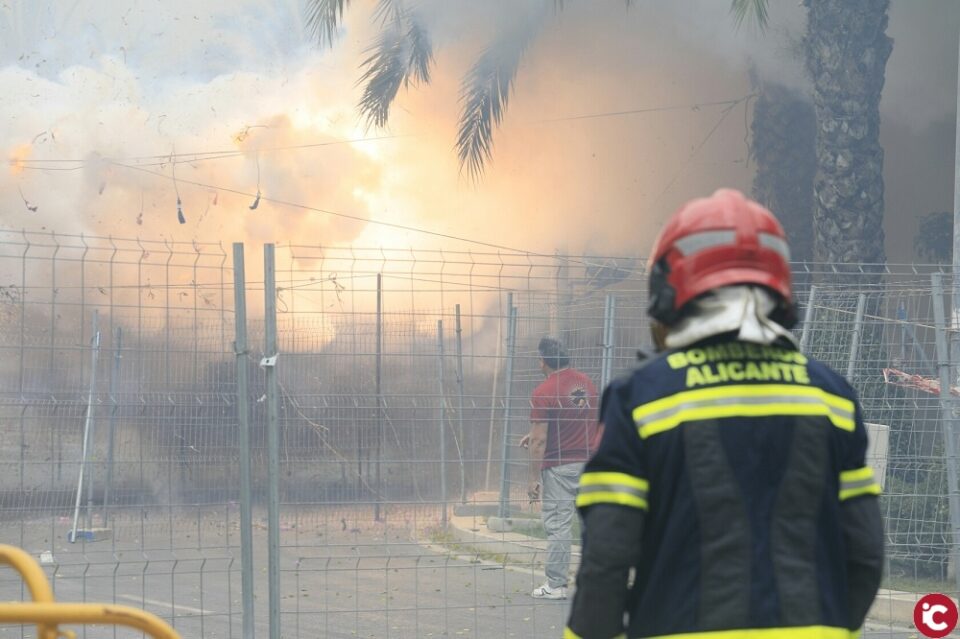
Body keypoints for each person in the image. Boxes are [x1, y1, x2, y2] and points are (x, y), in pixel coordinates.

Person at [565, 189, 884, 638]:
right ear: (779, 287)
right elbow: (866, 554)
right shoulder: (831, 396)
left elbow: (608, 557)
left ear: (668, 289)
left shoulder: (640, 397)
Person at [519, 336, 599, 600]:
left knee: (558, 525)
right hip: (591, 463)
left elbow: (540, 440)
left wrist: (532, 479)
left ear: (542, 361)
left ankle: (556, 585)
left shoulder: (543, 392)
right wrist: (534, 435)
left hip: (560, 468)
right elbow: (576, 420)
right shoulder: (585, 383)